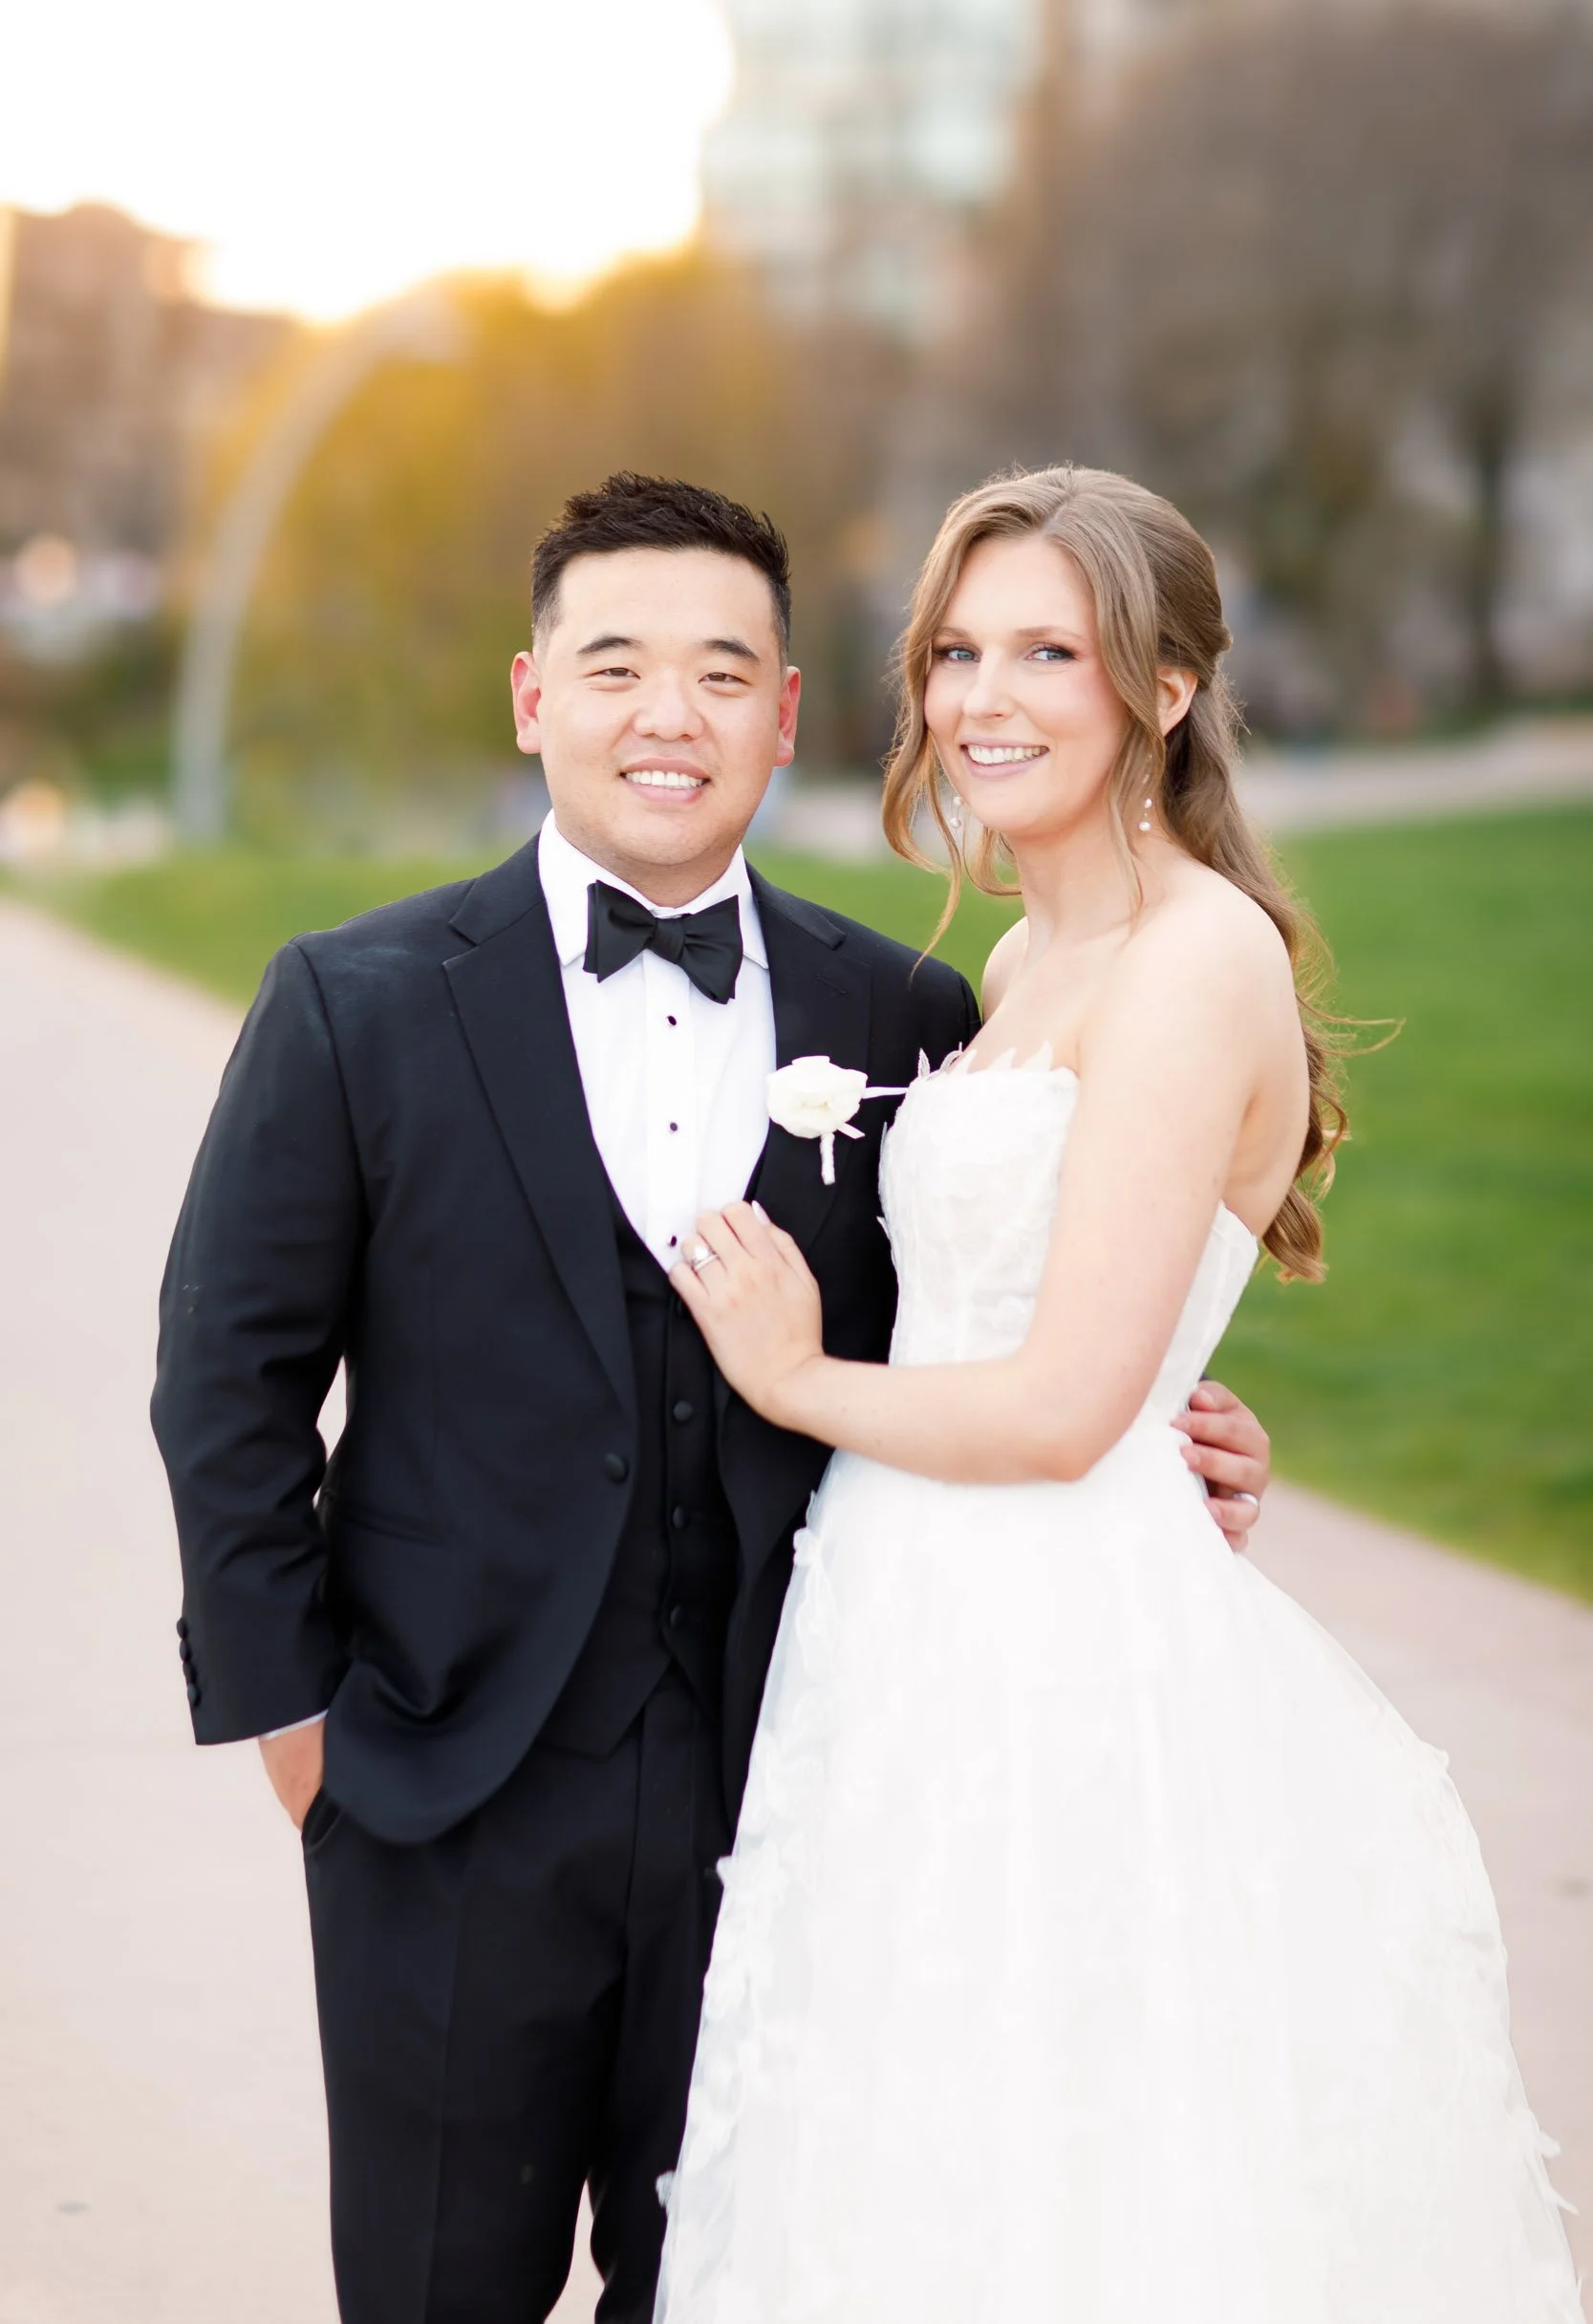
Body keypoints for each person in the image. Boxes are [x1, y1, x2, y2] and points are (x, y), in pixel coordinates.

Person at [150, 472, 1273, 2324]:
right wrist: (307, 1744)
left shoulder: (909, 1006)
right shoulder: (351, 1003)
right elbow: (228, 1385)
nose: (664, 716)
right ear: (532, 700)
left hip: (802, 1792)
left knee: (760, 2281)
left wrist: (1173, 1422)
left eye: (717, 671)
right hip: (446, 1801)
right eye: (612, 667)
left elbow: (1012, 1327)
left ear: (789, 711)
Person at [655, 466, 1582, 2324]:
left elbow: (1069, 1399)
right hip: (906, 1619)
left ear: (1158, 689)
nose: (979, 699)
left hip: (1054, 1639)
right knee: (907, 2144)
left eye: (1043, 652)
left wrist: (788, 1370)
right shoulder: (1021, 954)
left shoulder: (1193, 952)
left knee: (1072, 2144)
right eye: (953, 651)